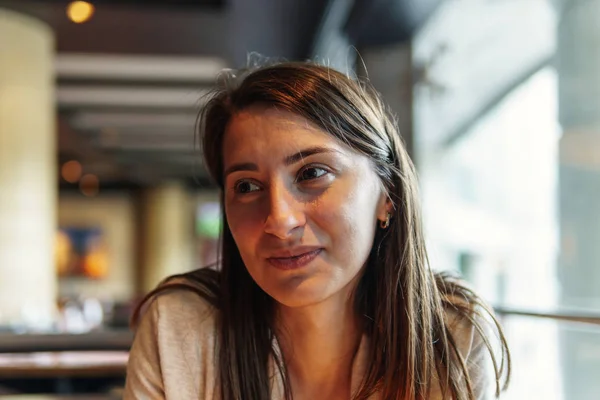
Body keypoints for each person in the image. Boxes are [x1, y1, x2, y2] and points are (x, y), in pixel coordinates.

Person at [124, 62, 511, 400]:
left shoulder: (453, 337)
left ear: (387, 194)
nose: (279, 220)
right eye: (246, 186)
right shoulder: (178, 327)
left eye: (312, 174)